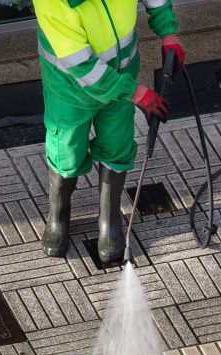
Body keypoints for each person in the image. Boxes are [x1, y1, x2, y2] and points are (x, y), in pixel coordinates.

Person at [32, 0, 186, 262]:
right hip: (70, 89)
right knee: (66, 150)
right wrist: (138, 94)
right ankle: (58, 215)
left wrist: (168, 32)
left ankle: (109, 217)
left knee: (117, 143)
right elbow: (83, 68)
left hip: (122, 76)